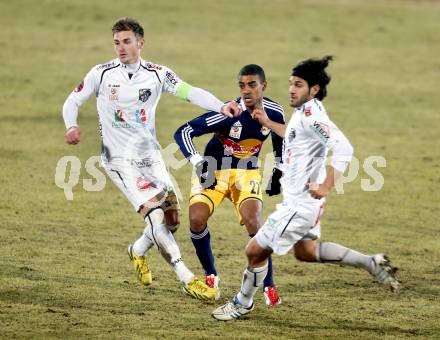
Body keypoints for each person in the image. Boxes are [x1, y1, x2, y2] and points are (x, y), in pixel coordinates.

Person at [62, 17, 241, 302]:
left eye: (126, 41)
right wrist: (71, 125)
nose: (121, 47)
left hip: (150, 157)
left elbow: (189, 91)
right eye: (117, 42)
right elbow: (72, 101)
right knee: (156, 216)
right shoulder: (102, 73)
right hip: (118, 160)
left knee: (172, 220)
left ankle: (137, 249)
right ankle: (187, 278)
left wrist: (221, 105)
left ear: (140, 43)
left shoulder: (157, 74)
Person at [211, 56, 400, 321]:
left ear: (314, 90)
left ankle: (242, 304)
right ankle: (371, 262)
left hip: (300, 206)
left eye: (298, 85)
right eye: (290, 83)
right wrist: (267, 122)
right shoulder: (304, 113)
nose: (291, 89)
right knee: (306, 252)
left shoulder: (312, 116)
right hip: (305, 205)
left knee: (254, 250)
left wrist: (326, 185)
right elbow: (294, 134)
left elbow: (344, 147)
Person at [174, 64, 285, 305]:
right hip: (213, 171)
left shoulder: (274, 112)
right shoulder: (227, 113)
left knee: (255, 223)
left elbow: (280, 139)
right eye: (242, 85)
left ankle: (269, 285)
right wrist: (198, 162)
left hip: (246, 173)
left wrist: (279, 170)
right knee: (195, 220)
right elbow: (183, 132)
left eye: (252, 85)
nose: (246, 90)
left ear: (263, 86)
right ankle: (211, 274)